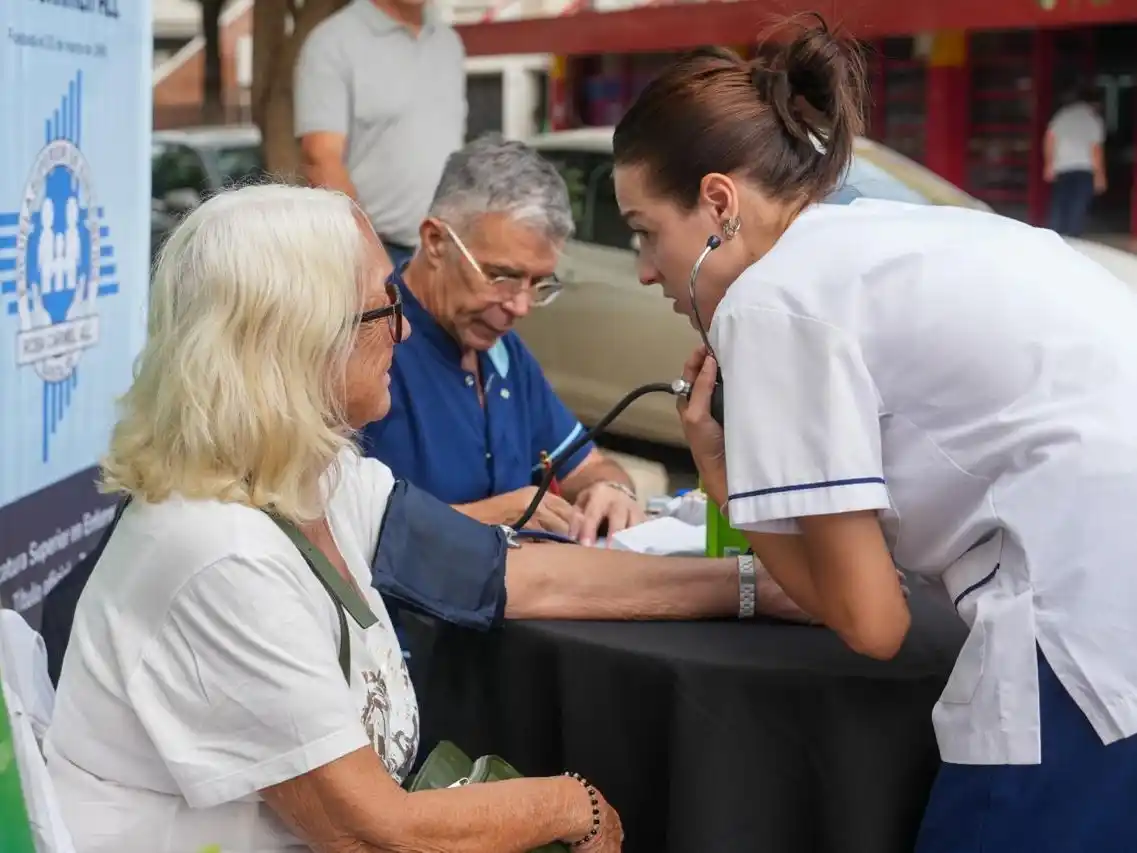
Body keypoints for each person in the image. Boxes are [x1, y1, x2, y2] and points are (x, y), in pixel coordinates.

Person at [45, 184, 806, 853]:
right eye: (385, 306)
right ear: (297, 334)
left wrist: (752, 583)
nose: (404, 333)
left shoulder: (309, 476)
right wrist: (572, 802)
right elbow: (375, 833)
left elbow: (507, 571)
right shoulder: (221, 552)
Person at [610, 17, 1137, 853]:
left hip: (1088, 636)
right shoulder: (899, 235)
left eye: (644, 230)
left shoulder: (771, 298)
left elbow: (870, 622)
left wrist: (721, 474)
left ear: (717, 202)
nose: (643, 267)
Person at [361, 135, 645, 547]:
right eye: (502, 276)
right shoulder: (366, 347)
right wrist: (493, 517)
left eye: (539, 283)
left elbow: (588, 465)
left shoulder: (502, 352)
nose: (522, 306)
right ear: (436, 242)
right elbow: (337, 534)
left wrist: (612, 490)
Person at [294, 0, 466, 271]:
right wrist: (373, 259)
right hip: (377, 253)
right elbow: (320, 159)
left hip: (450, 250)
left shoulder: (448, 43)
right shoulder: (332, 42)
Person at [1044, 85, 1106, 237]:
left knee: (1060, 205)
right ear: (1096, 104)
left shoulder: (1062, 116)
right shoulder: (1093, 120)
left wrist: (1049, 164)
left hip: (1063, 167)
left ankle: (1055, 239)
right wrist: (1100, 175)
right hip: (1084, 169)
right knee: (1078, 207)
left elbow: (1049, 139)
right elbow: (1095, 149)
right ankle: (1073, 240)